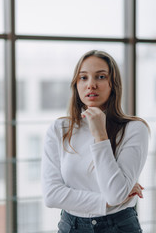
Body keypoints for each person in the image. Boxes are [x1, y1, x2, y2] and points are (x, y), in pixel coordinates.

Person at [41, 50, 149, 233]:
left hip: (119, 226)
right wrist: (104, 202)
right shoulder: (59, 129)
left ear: (112, 84)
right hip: (71, 226)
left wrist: (100, 135)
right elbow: (51, 195)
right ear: (76, 85)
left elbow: (116, 194)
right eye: (83, 78)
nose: (91, 85)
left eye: (100, 77)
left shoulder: (134, 129)